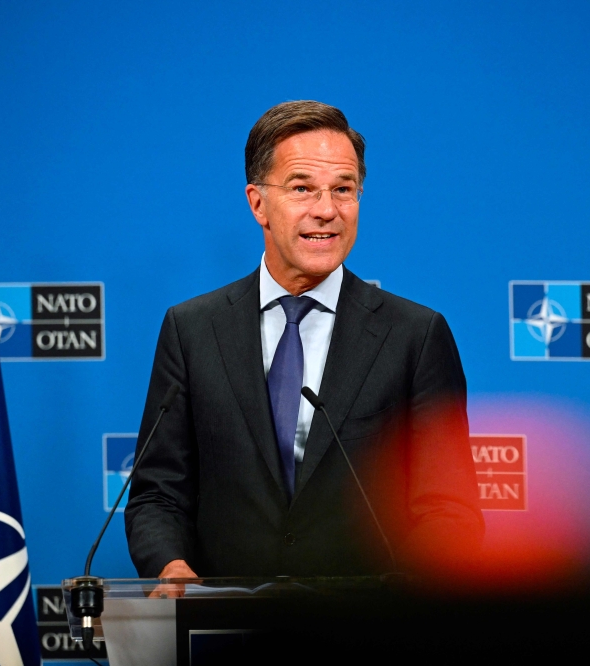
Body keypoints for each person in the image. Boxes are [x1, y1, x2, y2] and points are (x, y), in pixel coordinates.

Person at [125, 101, 483, 579]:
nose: (326, 211)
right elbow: (157, 493)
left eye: (343, 190)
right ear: (258, 203)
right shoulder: (192, 329)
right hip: (225, 628)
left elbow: (448, 506)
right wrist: (169, 565)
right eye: (302, 189)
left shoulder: (414, 336)